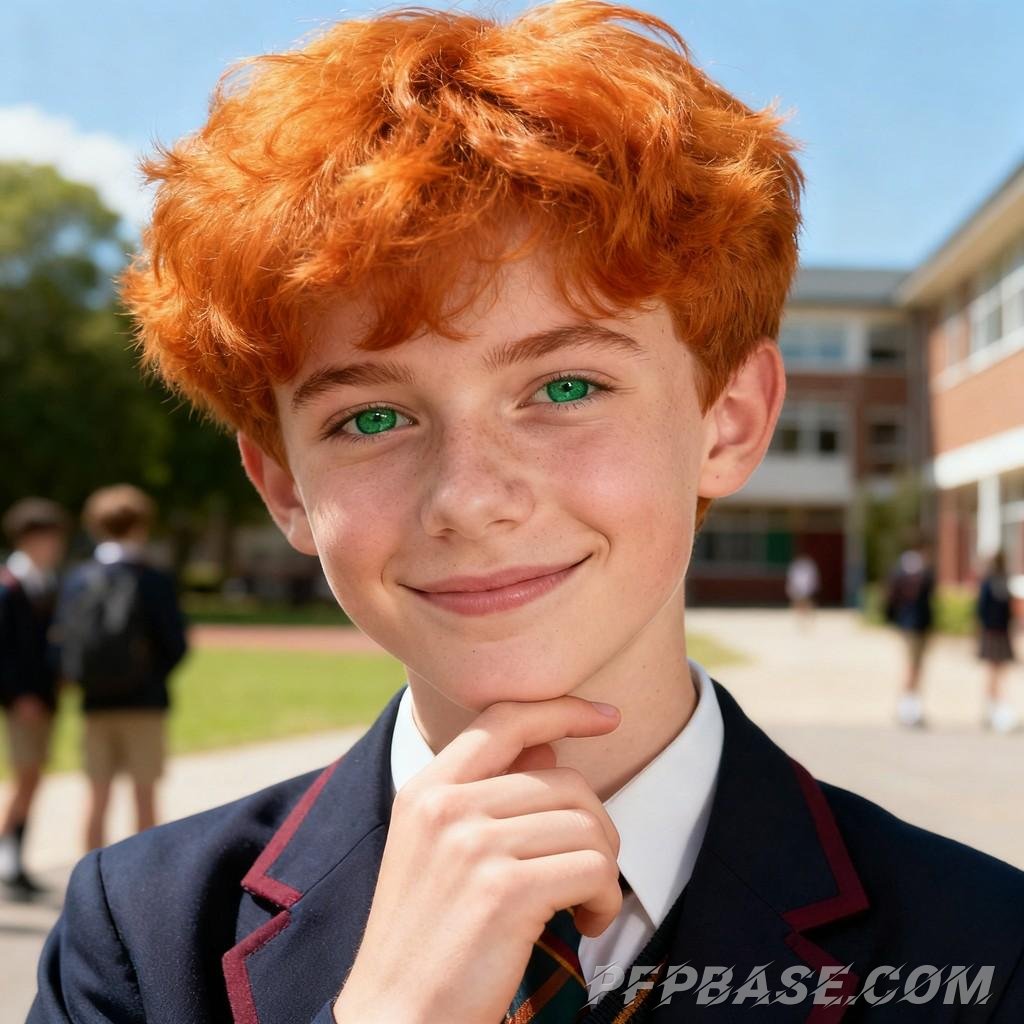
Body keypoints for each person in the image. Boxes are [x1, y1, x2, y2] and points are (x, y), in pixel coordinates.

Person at [29, 4, 1024, 1021]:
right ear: (285, 485)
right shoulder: (141, 941)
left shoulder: (987, 945)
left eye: (564, 388)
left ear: (728, 421)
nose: (469, 498)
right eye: (372, 415)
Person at [55, 484, 188, 851]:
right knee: (144, 796)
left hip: (94, 702)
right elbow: (175, 644)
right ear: (142, 524)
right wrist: (150, 675)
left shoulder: (77, 579)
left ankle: (88, 884)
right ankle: (141, 884)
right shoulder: (153, 579)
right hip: (144, 702)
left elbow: (64, 641)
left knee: (96, 796)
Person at [0, 498, 69, 899]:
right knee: (25, 778)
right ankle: (9, 856)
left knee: (34, 778)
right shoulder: (10, 585)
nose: (53, 546)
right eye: (46, 538)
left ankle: (16, 859)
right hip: (23, 702)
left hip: (44, 699)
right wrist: (18, 694)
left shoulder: (46, 581)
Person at [884, 533, 935, 728]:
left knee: (915, 666)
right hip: (915, 623)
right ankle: (907, 708)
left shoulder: (902, 569)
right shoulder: (919, 570)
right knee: (913, 667)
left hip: (911, 623)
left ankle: (911, 706)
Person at [976, 550, 1019, 734]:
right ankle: (992, 708)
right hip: (996, 631)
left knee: (996, 671)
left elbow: (983, 608)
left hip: (997, 631)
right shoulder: (997, 583)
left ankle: (993, 707)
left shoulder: (997, 582)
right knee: (996, 671)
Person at [785, 552, 819, 628]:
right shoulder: (796, 565)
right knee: (798, 602)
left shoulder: (808, 565)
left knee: (807, 601)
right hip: (798, 587)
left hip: (805, 587)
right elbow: (792, 577)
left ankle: (809, 617)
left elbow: (812, 577)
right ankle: (800, 618)